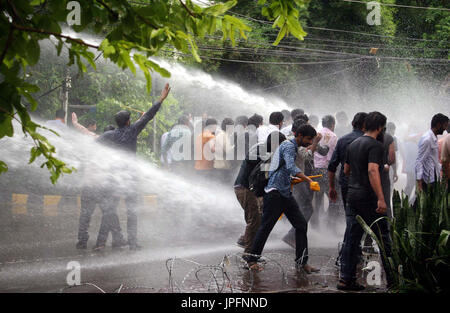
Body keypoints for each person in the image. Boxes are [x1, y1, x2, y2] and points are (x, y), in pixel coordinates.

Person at [95, 83, 171, 251]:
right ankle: (133, 243)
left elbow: (95, 142)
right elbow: (149, 115)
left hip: (115, 177)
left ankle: (100, 243)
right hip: (130, 178)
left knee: (109, 210)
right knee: (132, 211)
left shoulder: (110, 135)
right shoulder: (132, 131)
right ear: (129, 122)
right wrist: (161, 98)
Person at [244, 124, 320, 274]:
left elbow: (286, 169)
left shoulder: (292, 146)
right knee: (266, 227)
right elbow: (291, 167)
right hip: (275, 193)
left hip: (284, 193)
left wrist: (292, 180)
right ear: (299, 135)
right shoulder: (288, 146)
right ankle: (252, 260)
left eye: (312, 140)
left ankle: (302, 262)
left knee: (301, 224)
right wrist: (308, 180)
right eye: (308, 139)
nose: (310, 142)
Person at [338, 111, 393, 291]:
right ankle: (393, 279)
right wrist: (381, 198)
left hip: (352, 196)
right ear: (379, 127)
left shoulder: (353, 144)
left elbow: (346, 170)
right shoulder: (375, 146)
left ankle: (346, 280)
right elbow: (372, 171)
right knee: (384, 238)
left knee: (352, 239)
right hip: (368, 198)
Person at [234, 132, 286, 252]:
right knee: (254, 220)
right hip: (245, 188)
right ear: (274, 143)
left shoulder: (265, 150)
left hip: (252, 189)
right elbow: (261, 172)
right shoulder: (261, 151)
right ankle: (249, 256)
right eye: (281, 145)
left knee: (259, 217)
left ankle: (245, 241)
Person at [327, 112, 367, 265]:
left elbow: (332, 166)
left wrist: (332, 187)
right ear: (365, 125)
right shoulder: (368, 141)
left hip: (345, 185)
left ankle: (354, 253)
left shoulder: (343, 140)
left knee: (352, 219)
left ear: (352, 123)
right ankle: (345, 256)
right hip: (362, 187)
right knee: (356, 222)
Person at [311, 115, 339, 230]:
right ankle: (330, 226)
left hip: (315, 170)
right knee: (334, 199)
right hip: (327, 171)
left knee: (317, 200)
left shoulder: (316, 134)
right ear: (332, 124)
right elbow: (334, 155)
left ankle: (315, 226)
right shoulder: (333, 136)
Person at [415, 113, 449, 192]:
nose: (445, 129)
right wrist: (419, 183)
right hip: (428, 181)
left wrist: (442, 167)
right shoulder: (427, 139)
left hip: (434, 179)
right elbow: (419, 161)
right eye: (444, 126)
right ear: (438, 125)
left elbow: (432, 160)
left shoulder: (433, 137)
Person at [212, 118, 235, 183]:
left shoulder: (222, 135)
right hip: (221, 168)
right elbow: (228, 152)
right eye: (232, 127)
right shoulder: (223, 136)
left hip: (220, 166)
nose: (233, 129)